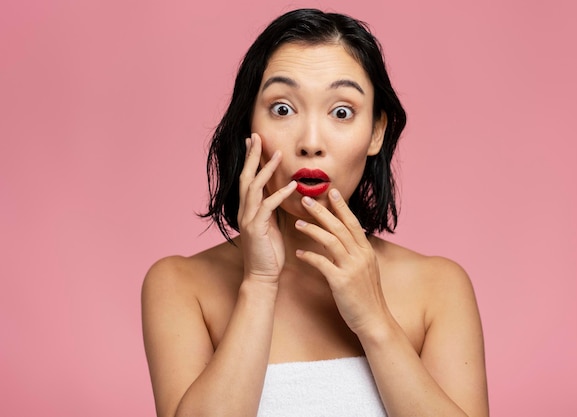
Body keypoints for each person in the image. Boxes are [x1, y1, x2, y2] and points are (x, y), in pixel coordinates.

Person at [142, 8, 489, 417]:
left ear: (376, 131)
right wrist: (259, 283)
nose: (310, 142)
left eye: (341, 112)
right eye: (283, 109)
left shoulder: (440, 288)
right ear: (247, 125)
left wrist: (375, 320)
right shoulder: (180, 286)